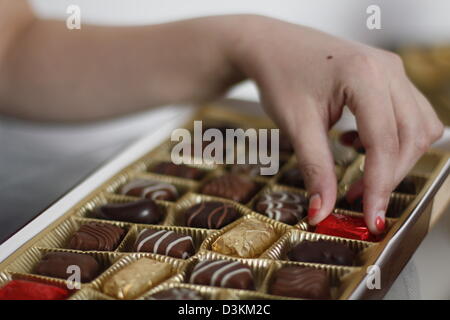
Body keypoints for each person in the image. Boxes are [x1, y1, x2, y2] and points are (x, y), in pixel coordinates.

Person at [0, 0, 444, 235]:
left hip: (326, 132)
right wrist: (247, 40)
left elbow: (427, 41)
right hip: (45, 197)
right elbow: (10, 47)